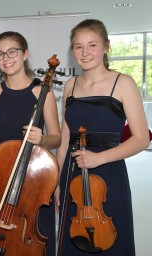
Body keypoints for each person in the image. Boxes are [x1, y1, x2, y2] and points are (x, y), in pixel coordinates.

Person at [56, 19, 150, 255]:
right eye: (78, 46)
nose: (85, 53)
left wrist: (99, 159)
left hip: (108, 174)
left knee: (110, 240)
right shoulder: (70, 85)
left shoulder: (123, 83)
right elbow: (65, 137)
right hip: (72, 173)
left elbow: (141, 139)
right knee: (72, 240)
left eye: (92, 45)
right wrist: (56, 181)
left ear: (106, 46)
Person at [0, 31, 61, 255]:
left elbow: (57, 136)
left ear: (25, 54)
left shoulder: (42, 91)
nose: (6, 58)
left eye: (12, 52)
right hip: (1, 177)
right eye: (0, 54)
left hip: (35, 181)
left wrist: (42, 139)